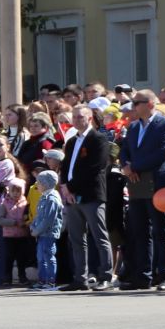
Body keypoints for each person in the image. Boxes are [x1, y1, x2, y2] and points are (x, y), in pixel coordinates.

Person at [120, 90, 165, 290]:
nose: (134, 106)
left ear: (151, 103)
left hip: (157, 182)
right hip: (137, 184)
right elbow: (124, 150)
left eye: (137, 103)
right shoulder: (134, 126)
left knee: (162, 230)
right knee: (140, 231)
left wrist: (135, 167)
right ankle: (142, 276)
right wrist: (126, 166)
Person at [61, 103, 115, 291]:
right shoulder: (71, 141)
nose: (76, 120)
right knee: (76, 238)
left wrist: (71, 187)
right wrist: (64, 187)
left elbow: (94, 168)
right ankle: (80, 278)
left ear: (90, 118)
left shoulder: (98, 139)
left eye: (80, 117)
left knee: (100, 236)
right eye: (74, 117)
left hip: (91, 194)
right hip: (72, 196)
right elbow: (66, 166)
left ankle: (106, 276)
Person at [30, 170, 65, 293]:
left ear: (46, 184)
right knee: (41, 257)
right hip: (40, 233)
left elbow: (48, 219)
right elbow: (38, 216)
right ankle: (42, 280)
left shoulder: (52, 199)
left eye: (39, 182)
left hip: (48, 233)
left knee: (48, 256)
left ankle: (50, 281)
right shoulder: (44, 197)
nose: (37, 185)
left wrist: (36, 230)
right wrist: (33, 227)